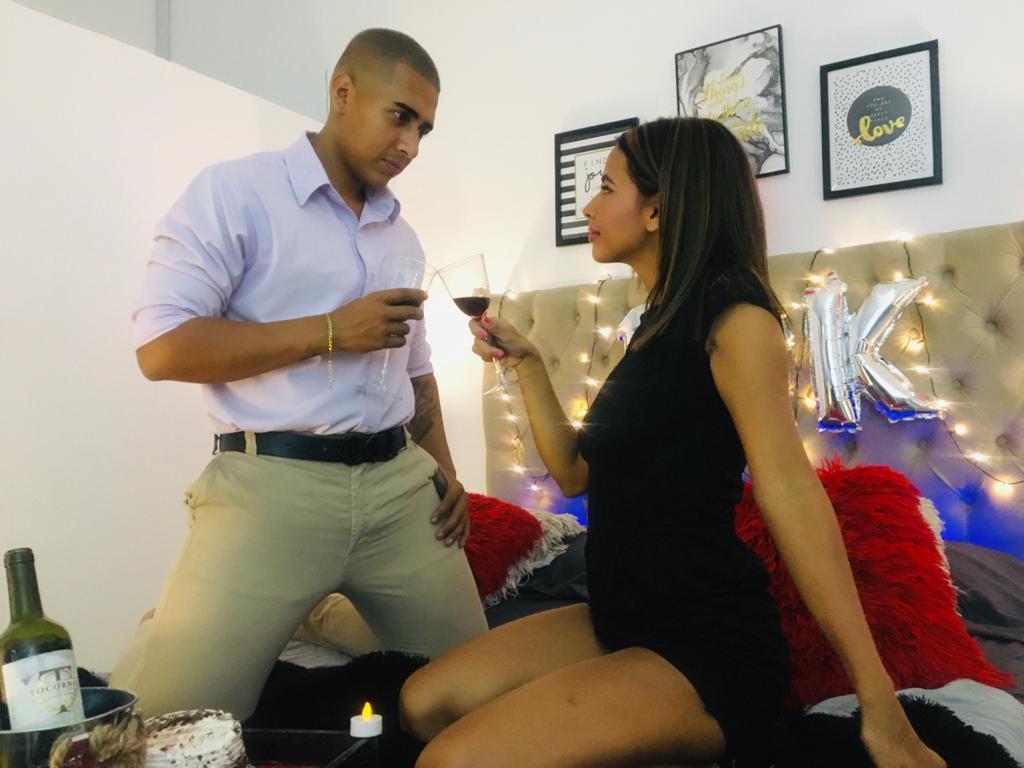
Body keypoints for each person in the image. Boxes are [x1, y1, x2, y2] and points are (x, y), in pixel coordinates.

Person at [399, 118, 946, 768]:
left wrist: (878, 700)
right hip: (619, 615)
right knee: (422, 702)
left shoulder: (736, 319)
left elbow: (791, 492)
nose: (588, 208)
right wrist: (529, 366)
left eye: (606, 188)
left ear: (656, 210)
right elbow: (574, 474)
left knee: (450, 762)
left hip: (706, 641)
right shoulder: (655, 324)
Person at [109, 28, 488, 720]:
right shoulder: (236, 193)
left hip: (398, 489)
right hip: (269, 486)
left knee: (481, 693)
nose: (410, 145)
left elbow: (416, 370)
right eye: (400, 116)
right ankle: (272, 611)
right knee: (171, 731)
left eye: (424, 130)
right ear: (343, 92)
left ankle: (319, 610)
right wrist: (330, 332)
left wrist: (447, 472)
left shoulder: (402, 235)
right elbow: (161, 347)